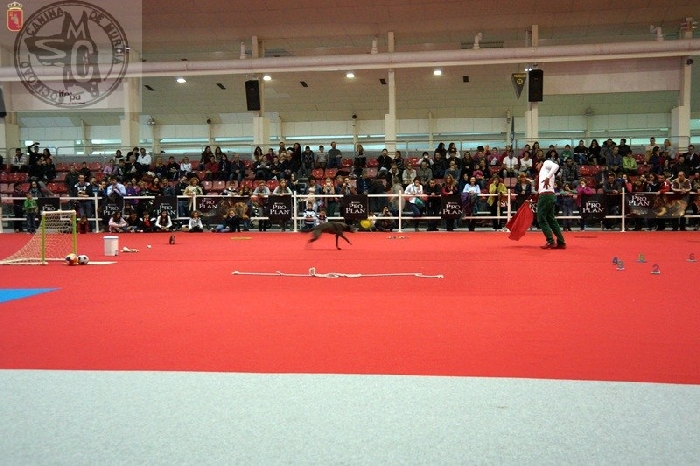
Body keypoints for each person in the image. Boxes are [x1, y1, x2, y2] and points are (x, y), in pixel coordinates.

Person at [537, 158, 566, 249]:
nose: (536, 167)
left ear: (541, 162)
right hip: (549, 195)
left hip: (545, 195)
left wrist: (547, 178)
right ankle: (561, 241)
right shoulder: (544, 171)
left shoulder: (546, 163)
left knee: (541, 219)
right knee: (551, 219)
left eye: (537, 164)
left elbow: (556, 166)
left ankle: (550, 241)